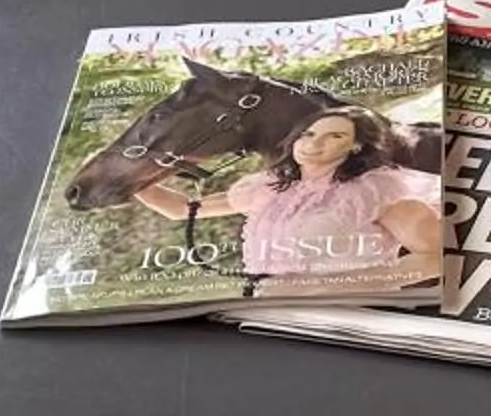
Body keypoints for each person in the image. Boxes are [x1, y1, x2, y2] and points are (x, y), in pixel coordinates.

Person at [129, 106, 439, 292]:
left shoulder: (376, 191)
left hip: (349, 315)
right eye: (309, 134)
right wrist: (127, 181)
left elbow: (435, 258)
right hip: (265, 312)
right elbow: (181, 210)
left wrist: (341, 286)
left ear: (356, 147)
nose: (314, 144)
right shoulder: (269, 189)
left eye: (335, 136)